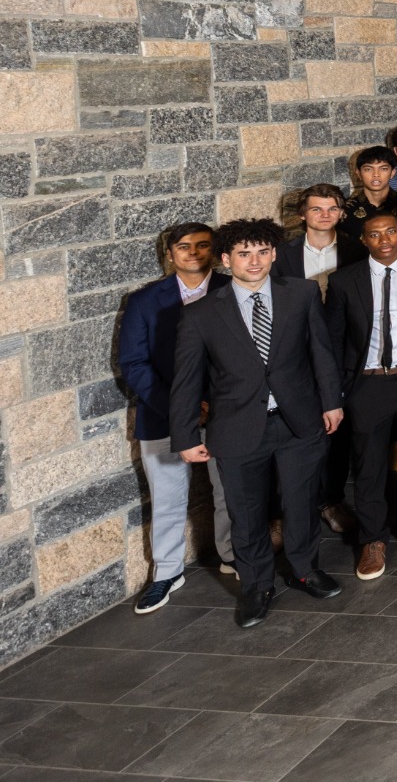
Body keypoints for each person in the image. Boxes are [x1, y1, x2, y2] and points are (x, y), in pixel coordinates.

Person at [170, 218, 344, 629]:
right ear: (225, 259)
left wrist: (332, 402)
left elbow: (321, 353)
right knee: (245, 513)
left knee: (301, 502)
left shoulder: (301, 293)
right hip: (237, 426)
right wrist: (185, 436)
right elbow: (186, 381)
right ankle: (256, 585)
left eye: (263, 252)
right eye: (244, 253)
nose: (255, 261)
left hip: (298, 420)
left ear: (274, 254)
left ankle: (304, 570)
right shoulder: (200, 314)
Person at [119, 222, 235, 613]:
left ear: (215, 251)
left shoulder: (234, 289)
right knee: (167, 500)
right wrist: (181, 408)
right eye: (184, 246)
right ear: (169, 254)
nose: (194, 253)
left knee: (230, 492)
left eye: (203, 245)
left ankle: (232, 554)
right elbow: (134, 364)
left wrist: (216, 403)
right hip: (161, 415)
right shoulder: (143, 301)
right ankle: (167, 573)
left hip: (225, 413)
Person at [326, 212, 397, 580]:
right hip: (367, 384)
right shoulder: (344, 281)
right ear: (364, 241)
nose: (384, 240)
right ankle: (373, 539)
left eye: (390, 231)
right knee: (369, 465)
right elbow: (332, 341)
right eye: (375, 235)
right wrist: (336, 393)